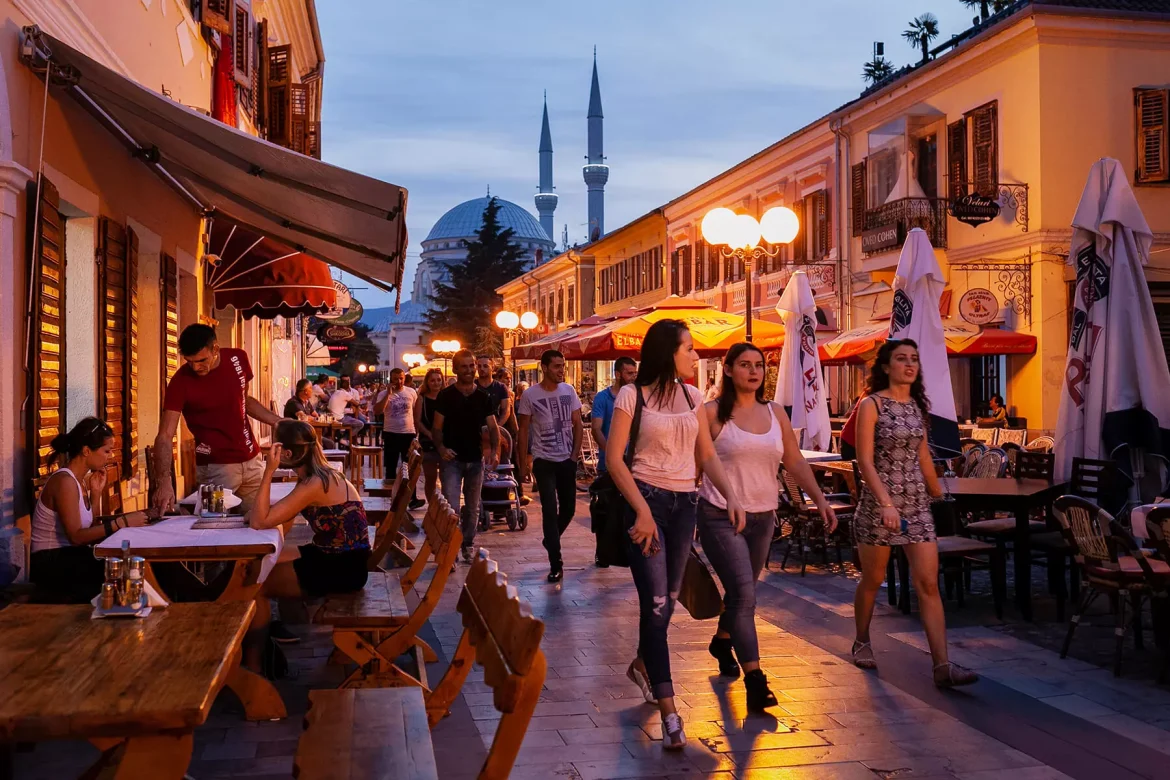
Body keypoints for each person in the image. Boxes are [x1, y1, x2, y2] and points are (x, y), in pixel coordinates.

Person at [604, 319, 746, 750]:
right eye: (688, 348)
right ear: (668, 352)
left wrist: (731, 495)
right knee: (658, 603)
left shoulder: (693, 396)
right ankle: (670, 712)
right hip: (646, 503)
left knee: (665, 608)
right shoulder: (633, 396)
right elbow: (614, 460)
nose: (695, 355)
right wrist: (642, 511)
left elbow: (705, 452)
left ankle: (645, 663)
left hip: (685, 506)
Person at [699, 343, 837, 711]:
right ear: (727, 370)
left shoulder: (776, 413)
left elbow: (792, 459)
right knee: (745, 596)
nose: (753, 371)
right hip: (719, 515)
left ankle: (721, 640)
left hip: (763, 516)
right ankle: (756, 682)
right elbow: (701, 461)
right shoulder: (711, 413)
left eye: (759, 365)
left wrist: (818, 499)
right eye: (744, 365)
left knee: (739, 593)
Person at [851, 339, 978, 688]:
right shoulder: (871, 404)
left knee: (927, 583)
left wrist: (939, 494)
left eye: (914, 359)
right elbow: (864, 460)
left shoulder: (916, 408)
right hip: (881, 506)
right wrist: (886, 503)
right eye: (901, 359)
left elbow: (923, 456)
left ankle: (942, 665)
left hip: (917, 505)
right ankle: (862, 639)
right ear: (886, 366)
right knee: (874, 580)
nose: (909, 365)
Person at [245, 420, 370, 667]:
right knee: (265, 561)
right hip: (343, 556)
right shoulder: (322, 475)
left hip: (343, 567)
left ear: (287, 453)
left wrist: (268, 470)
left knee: (255, 586)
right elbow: (268, 516)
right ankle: (288, 623)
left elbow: (259, 522)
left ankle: (254, 663)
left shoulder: (314, 484)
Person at [152, 324, 283, 516]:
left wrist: (278, 422)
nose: (196, 367)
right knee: (211, 527)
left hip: (252, 462)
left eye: (201, 360)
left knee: (261, 522)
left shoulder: (238, 358)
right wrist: (163, 482)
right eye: (190, 362)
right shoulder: (181, 382)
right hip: (215, 469)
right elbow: (164, 436)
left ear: (215, 348)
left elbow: (244, 400)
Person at [30, 418, 148, 603]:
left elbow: (89, 528)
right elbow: (76, 537)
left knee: (131, 562)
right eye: (106, 451)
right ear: (86, 451)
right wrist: (122, 523)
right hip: (52, 562)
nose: (110, 456)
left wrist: (96, 494)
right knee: (123, 569)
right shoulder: (65, 481)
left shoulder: (79, 481)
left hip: (70, 556)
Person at [517, 349, 584, 582]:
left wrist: (575, 455)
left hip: (567, 459)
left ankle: (551, 538)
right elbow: (523, 429)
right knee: (548, 509)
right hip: (543, 460)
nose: (561, 371)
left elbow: (577, 423)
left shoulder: (569, 390)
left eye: (563, 366)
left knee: (569, 509)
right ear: (544, 367)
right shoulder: (530, 395)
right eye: (556, 366)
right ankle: (556, 563)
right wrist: (523, 463)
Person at [433, 349, 500, 562]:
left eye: (472, 366)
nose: (471, 370)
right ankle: (450, 549)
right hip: (452, 460)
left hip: (475, 459)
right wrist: (442, 449)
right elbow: (436, 428)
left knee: (472, 508)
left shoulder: (483, 396)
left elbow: (493, 426)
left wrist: (495, 451)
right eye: (465, 366)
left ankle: (468, 545)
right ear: (455, 369)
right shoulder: (446, 396)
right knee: (451, 507)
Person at [588, 357, 638, 566]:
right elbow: (596, 428)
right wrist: (612, 454)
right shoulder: (603, 398)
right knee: (605, 510)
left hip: (634, 466)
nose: (633, 377)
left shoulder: (638, 397)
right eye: (629, 373)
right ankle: (603, 551)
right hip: (608, 465)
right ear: (618, 374)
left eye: (635, 373)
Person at [374, 369, 420, 506]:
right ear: (390, 379)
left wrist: (417, 432)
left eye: (401, 378)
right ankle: (391, 497)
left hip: (408, 433)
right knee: (391, 466)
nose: (398, 382)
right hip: (391, 433)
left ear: (404, 378)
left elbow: (415, 412)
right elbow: (377, 411)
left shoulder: (411, 392)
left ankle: (412, 498)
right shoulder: (383, 394)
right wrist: (388, 394)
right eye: (395, 379)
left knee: (409, 466)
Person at [413, 369, 445, 502]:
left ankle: (445, 509)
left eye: (438, 380)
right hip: (428, 441)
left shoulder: (446, 397)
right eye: (433, 380)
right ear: (427, 382)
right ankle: (432, 506)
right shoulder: (422, 398)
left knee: (446, 478)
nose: (436, 383)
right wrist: (429, 434)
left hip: (445, 442)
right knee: (430, 477)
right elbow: (417, 420)